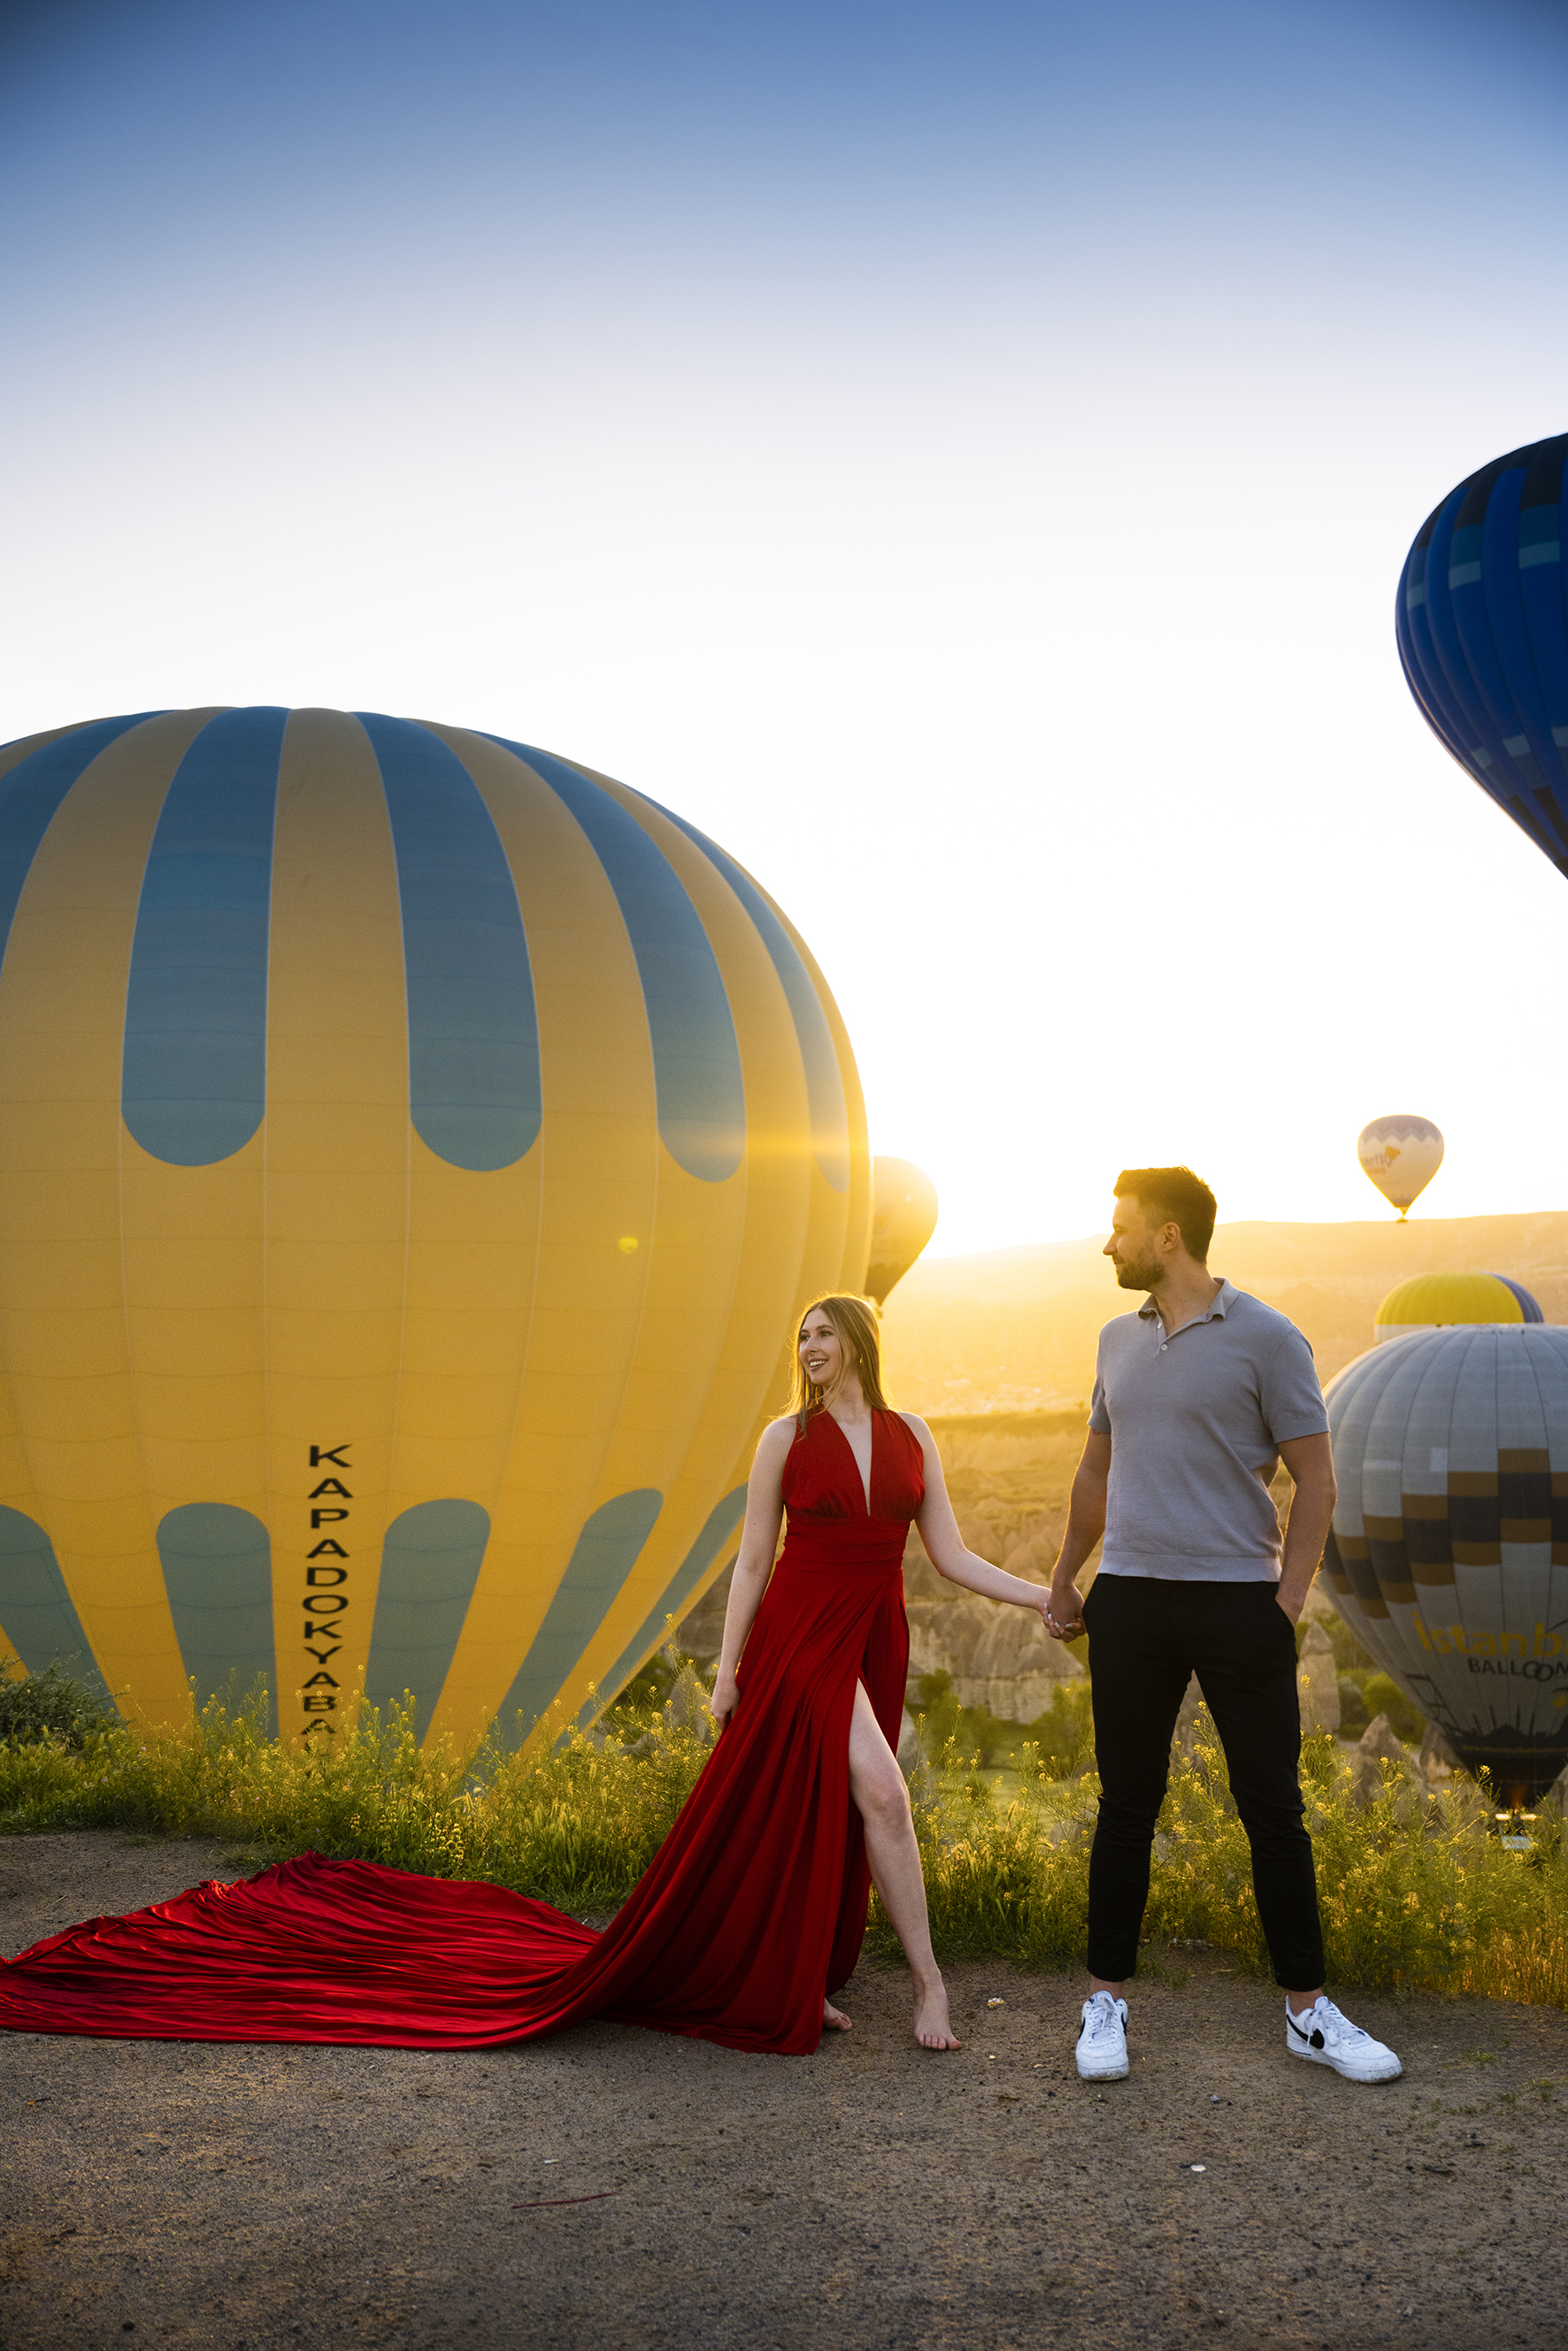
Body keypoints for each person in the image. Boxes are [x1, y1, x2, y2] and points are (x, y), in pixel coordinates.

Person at [0, 1294, 1052, 2059]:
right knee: (880, 1793)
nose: (810, 1347)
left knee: (804, 1805)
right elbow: (748, 1560)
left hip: (869, 1629)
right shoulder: (784, 1436)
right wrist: (728, 1668)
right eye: (801, 1338)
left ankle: (790, 1974)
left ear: (859, 1339)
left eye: (824, 1332)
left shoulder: (915, 1436)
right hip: (797, 1635)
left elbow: (948, 1556)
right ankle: (927, 1984)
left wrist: (1040, 1596)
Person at [1045, 1168, 1402, 2087]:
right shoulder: (1113, 1341)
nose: (1106, 1242)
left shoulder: (1268, 1337)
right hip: (1128, 1596)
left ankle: (1306, 2012)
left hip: (1236, 1600)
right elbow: (1093, 1472)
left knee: (1271, 1812)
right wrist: (1064, 1574)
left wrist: (1282, 1603)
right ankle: (1105, 2002)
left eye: (1119, 1227)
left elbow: (1314, 1481)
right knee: (1126, 1806)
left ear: (1166, 1237)